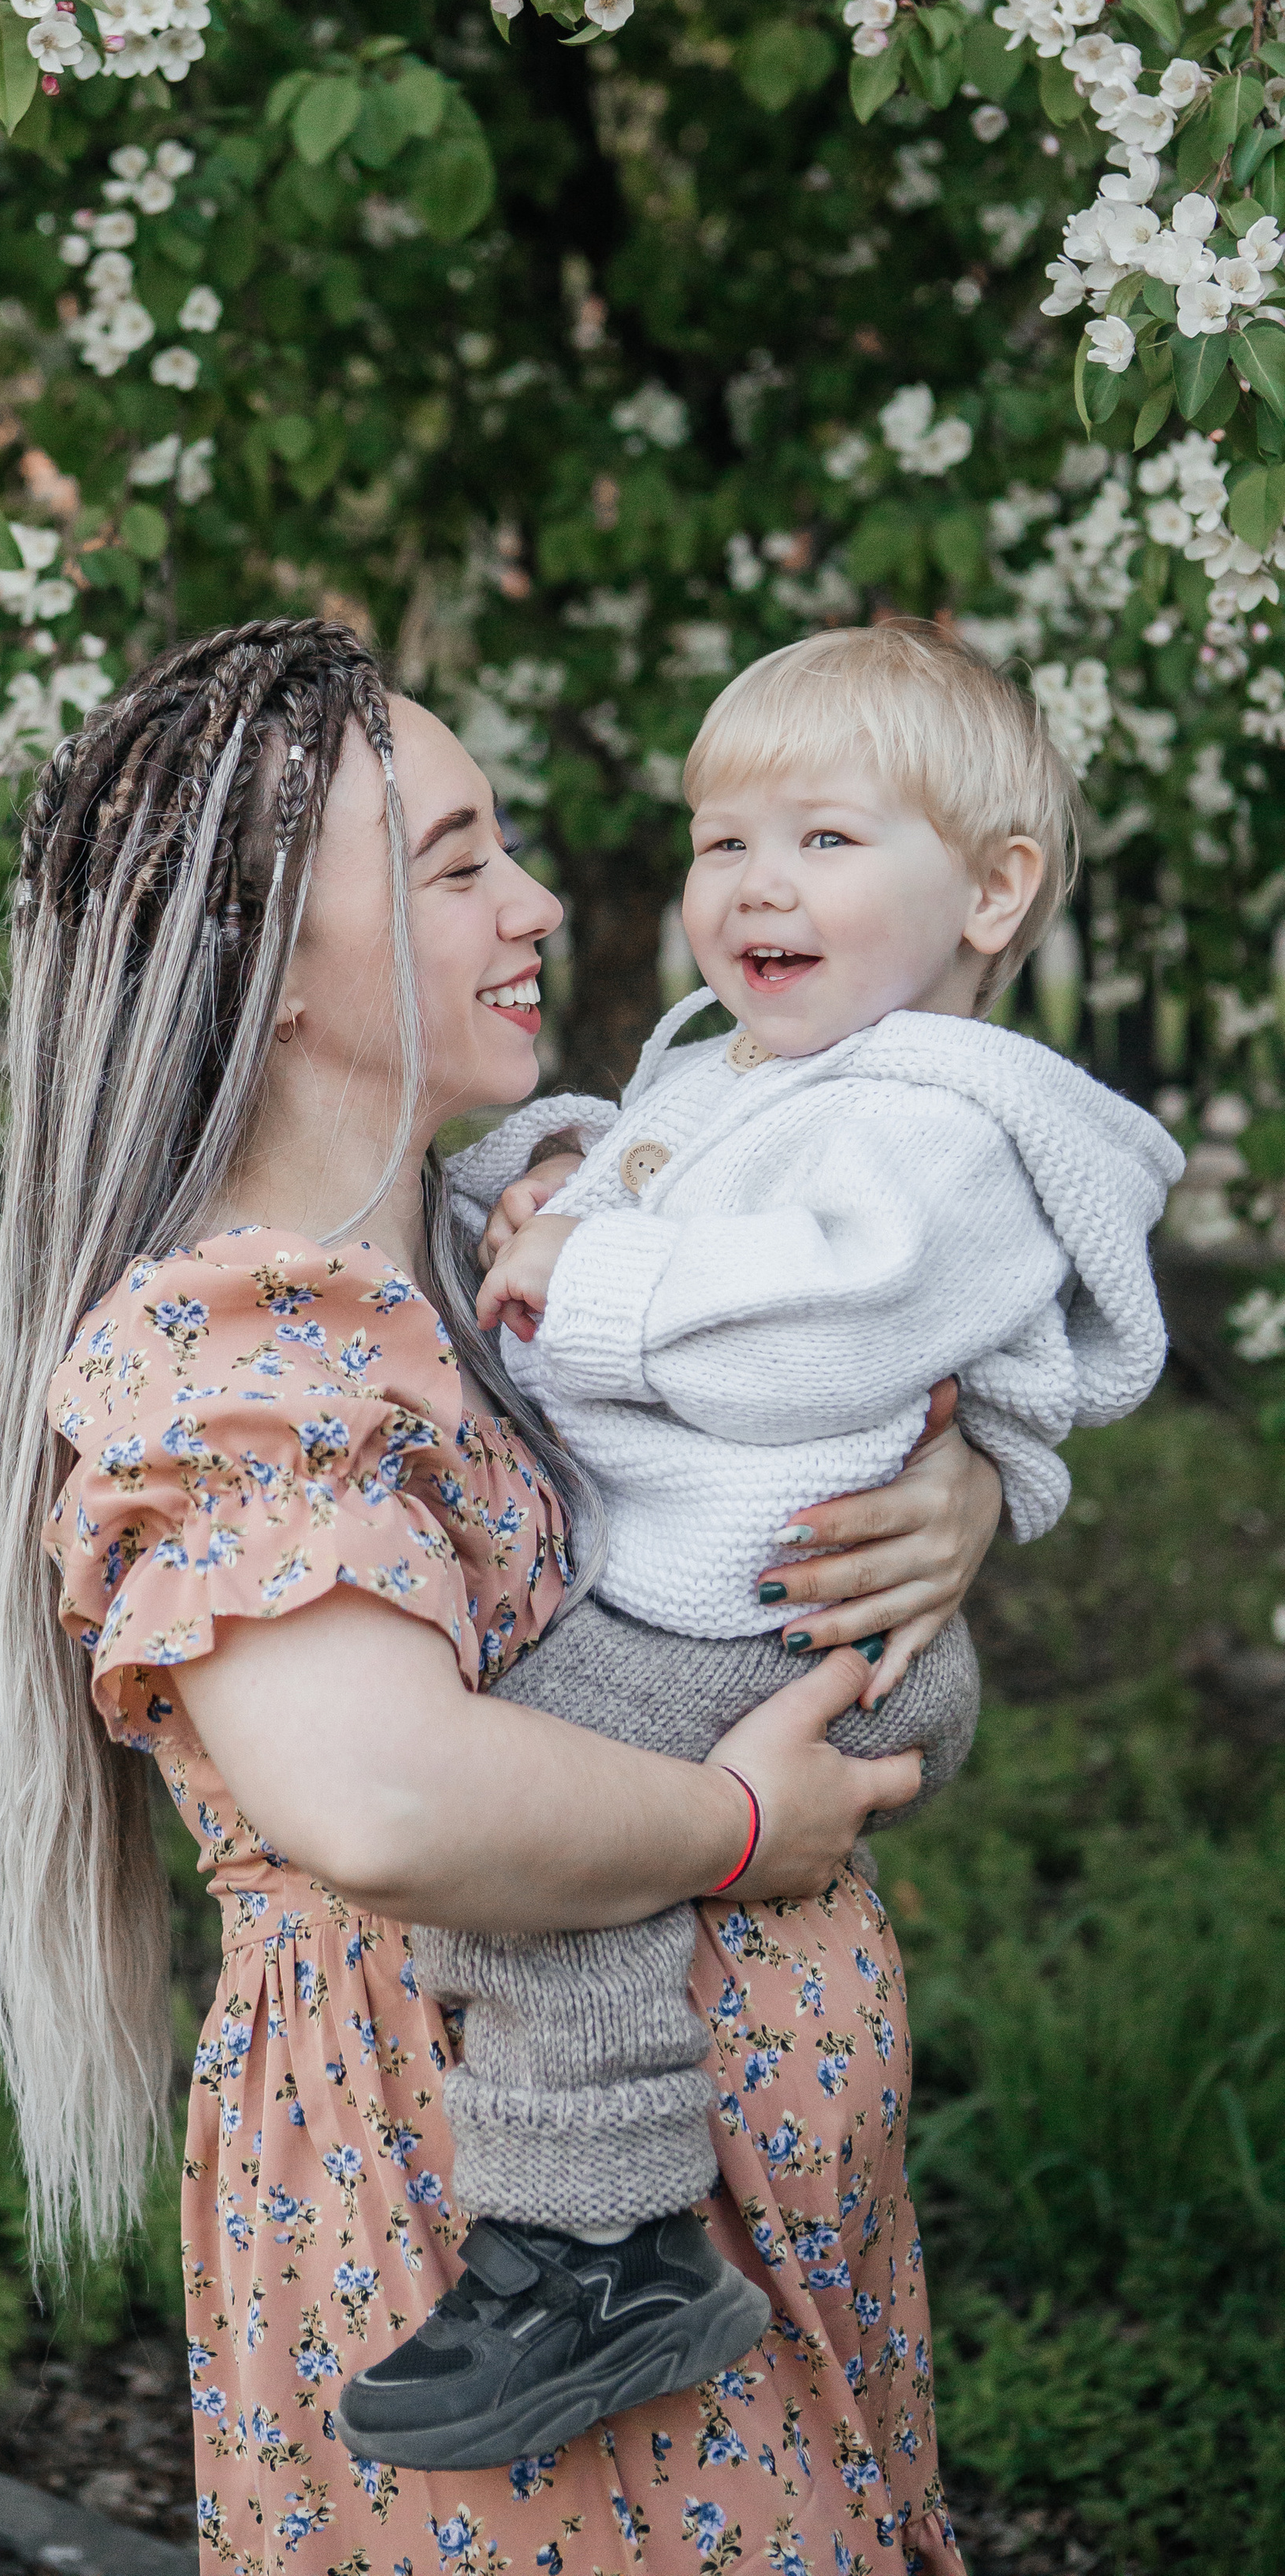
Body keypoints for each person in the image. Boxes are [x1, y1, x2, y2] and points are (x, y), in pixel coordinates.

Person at [0, 617, 1004, 2575]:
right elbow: (383, 1797)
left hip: (726, 2237)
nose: (532, 898)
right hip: (477, 2237)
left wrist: (949, 1496)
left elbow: (804, 1419)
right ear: (266, 968)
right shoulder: (238, 1349)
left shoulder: (487, 1257)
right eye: (451, 862)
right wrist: (735, 1829)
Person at [338, 622, 1182, 2475]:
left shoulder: (943, 1116)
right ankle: (588, 2236)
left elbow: (829, 1322)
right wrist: (550, 1176)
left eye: (818, 838)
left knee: (528, 1820)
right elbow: (643, 1171)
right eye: (722, 840)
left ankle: (600, 2246)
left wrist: (597, 1275)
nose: (750, 884)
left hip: (773, 1630)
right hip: (735, 1604)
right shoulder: (741, 1073)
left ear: (991, 887)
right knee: (545, 1799)